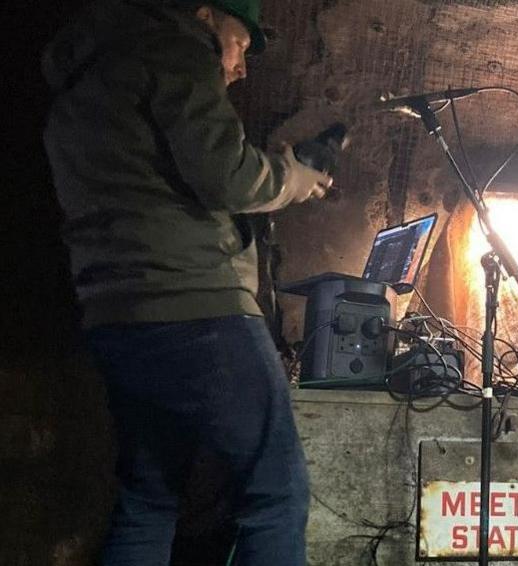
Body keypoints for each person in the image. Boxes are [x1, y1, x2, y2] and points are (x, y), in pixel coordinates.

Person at [42, 1, 329, 564]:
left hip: (113, 315)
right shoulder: (175, 53)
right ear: (204, 16)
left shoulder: (77, 86)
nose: (241, 66)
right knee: (276, 494)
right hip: (195, 311)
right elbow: (229, 176)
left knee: (149, 500)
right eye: (240, 44)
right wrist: (292, 178)